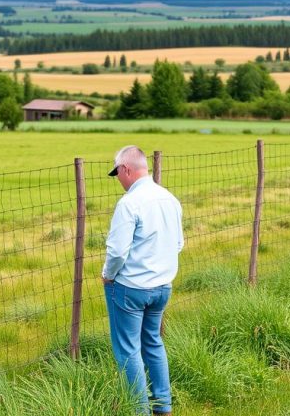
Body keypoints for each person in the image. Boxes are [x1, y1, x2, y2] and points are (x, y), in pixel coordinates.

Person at [102, 145, 184, 416]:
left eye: (118, 174)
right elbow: (179, 244)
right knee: (153, 341)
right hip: (162, 287)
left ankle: (138, 410)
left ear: (126, 169)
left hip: (131, 288)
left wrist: (108, 275)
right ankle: (163, 405)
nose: (119, 181)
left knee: (127, 349)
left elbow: (117, 251)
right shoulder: (169, 198)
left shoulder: (129, 203)